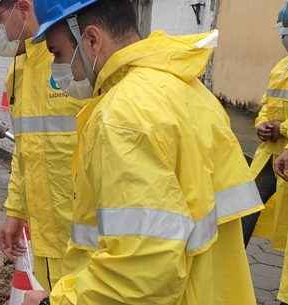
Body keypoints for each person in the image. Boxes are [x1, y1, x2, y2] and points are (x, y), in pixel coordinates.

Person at [21, 0, 263, 304]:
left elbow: (143, 269)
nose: (56, 71)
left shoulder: (122, 117)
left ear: (92, 40)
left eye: (58, 54)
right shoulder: (183, 87)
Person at [0, 0, 85, 290]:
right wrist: (16, 212)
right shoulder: (20, 70)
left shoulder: (72, 60)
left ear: (22, 8)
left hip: (85, 237)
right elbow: (24, 154)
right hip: (47, 237)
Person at [258, 4, 288, 305]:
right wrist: (262, 125)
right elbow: (267, 104)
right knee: (243, 210)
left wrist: (284, 128)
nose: (284, 35)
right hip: (269, 156)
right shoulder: (281, 68)